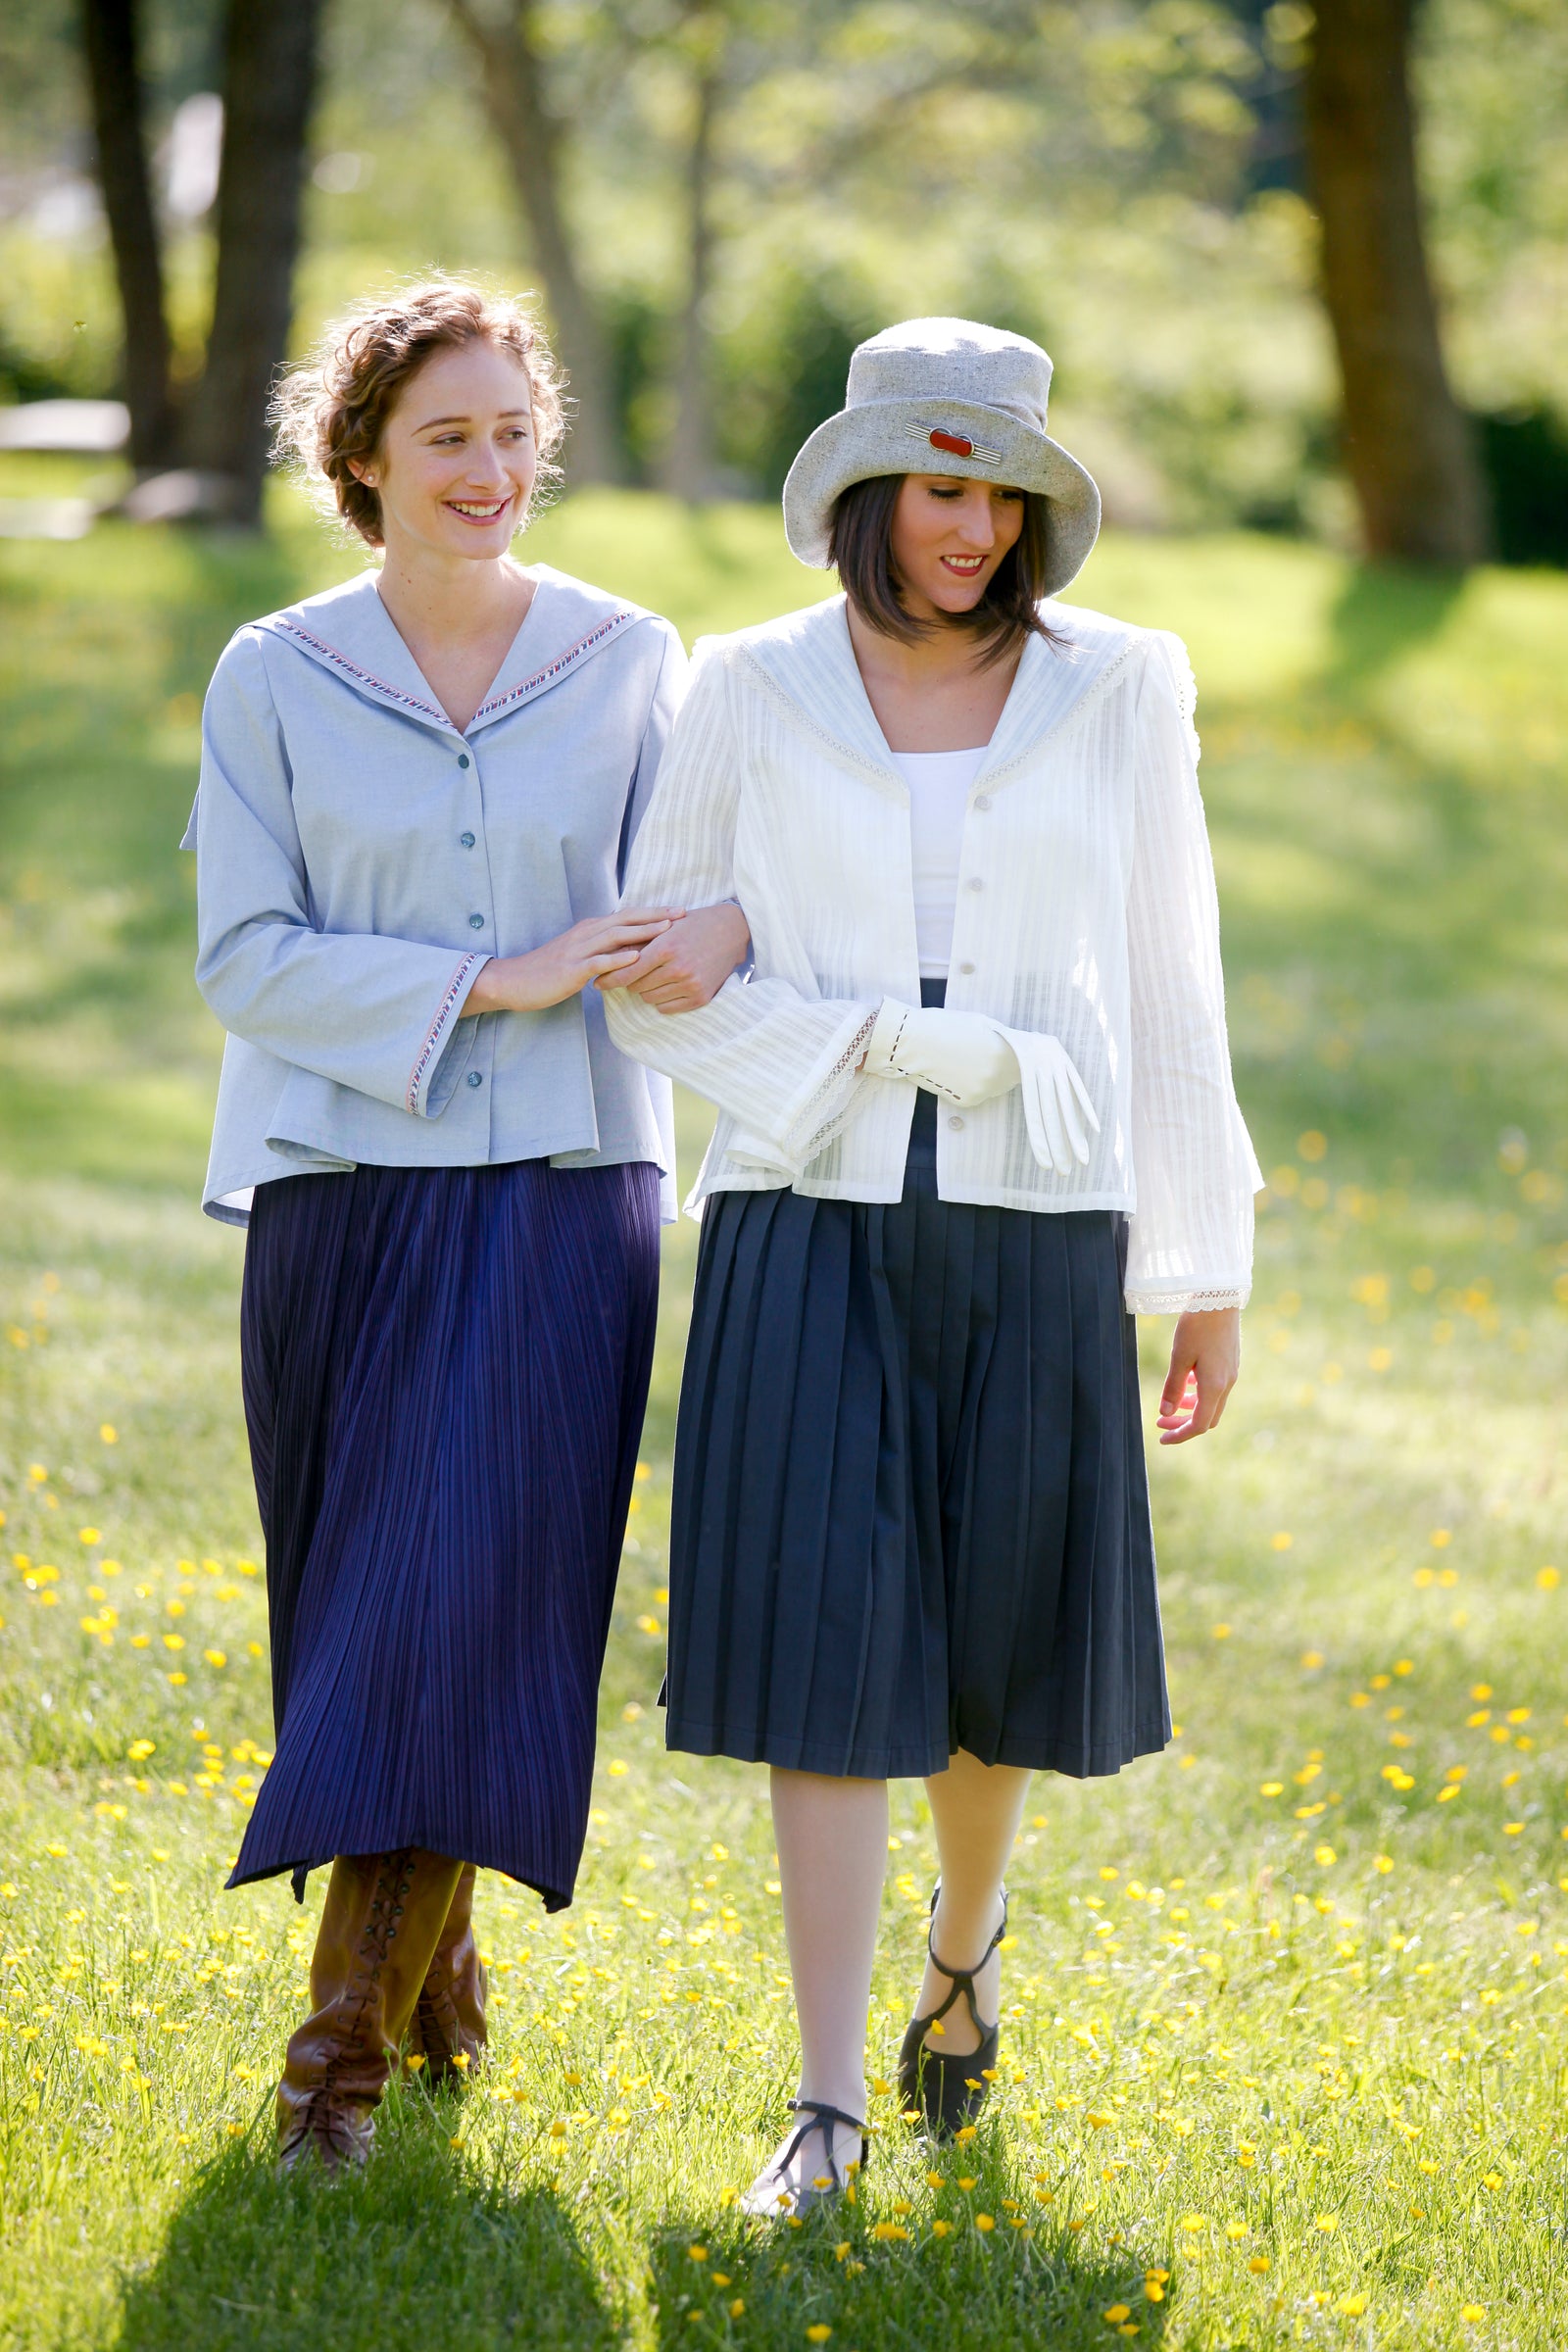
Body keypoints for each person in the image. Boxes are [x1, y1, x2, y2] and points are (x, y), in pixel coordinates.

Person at [602, 318, 1260, 2214]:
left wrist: (1199, 1265)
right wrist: (877, 1049)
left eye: (1004, 493)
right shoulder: (745, 686)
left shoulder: (1122, 686)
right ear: (864, 490)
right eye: (941, 485)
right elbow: (656, 988)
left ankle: (965, 1953)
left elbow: (1170, 985)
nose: (972, 529)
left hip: (1041, 1233)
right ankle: (823, 2108)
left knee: (990, 1659)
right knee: (826, 1659)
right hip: (804, 1225)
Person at [185, 280, 748, 2169]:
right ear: (360, 459)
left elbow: (699, 899)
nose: (492, 468)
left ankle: (328, 2071)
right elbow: (245, 957)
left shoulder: (632, 658)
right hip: (340, 1196)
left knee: (461, 1600)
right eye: (448, 435)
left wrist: (695, 951)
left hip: (570, 1190)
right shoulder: (272, 671)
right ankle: (437, 1991)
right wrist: (493, 979)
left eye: (516, 431)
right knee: (361, 1609)